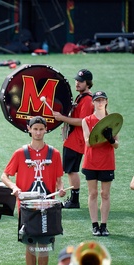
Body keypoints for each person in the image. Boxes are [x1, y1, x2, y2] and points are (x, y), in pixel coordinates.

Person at [1, 116, 66, 265]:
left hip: (48, 207)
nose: (38, 132)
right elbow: (5, 176)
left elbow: (59, 179)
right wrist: (14, 187)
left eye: (41, 129)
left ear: (46, 130)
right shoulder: (21, 153)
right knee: (30, 245)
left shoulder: (54, 154)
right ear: (29, 129)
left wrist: (61, 189)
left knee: (44, 245)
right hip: (27, 207)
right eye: (35, 129)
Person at [52, 69, 94, 209]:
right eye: (76, 80)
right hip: (73, 138)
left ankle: (74, 201)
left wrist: (62, 118)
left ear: (88, 83)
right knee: (70, 169)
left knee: (71, 170)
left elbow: (83, 121)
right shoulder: (81, 97)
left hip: (77, 140)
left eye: (80, 81)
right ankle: (74, 199)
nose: (77, 83)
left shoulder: (87, 100)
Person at [82, 91, 119, 237]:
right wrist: (100, 135)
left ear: (106, 102)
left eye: (102, 100)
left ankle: (104, 225)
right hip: (91, 161)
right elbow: (87, 142)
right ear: (93, 102)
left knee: (105, 194)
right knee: (93, 193)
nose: (99, 103)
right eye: (97, 100)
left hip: (107, 162)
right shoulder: (87, 120)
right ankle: (94, 225)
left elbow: (116, 145)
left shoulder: (113, 121)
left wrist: (111, 139)